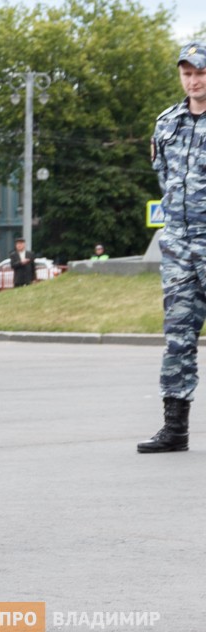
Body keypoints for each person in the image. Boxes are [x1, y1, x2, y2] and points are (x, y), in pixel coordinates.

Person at [138, 40, 206, 454]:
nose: (194, 80)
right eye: (188, 73)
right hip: (179, 246)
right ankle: (174, 427)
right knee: (178, 336)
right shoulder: (168, 123)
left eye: (200, 72)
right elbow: (163, 175)